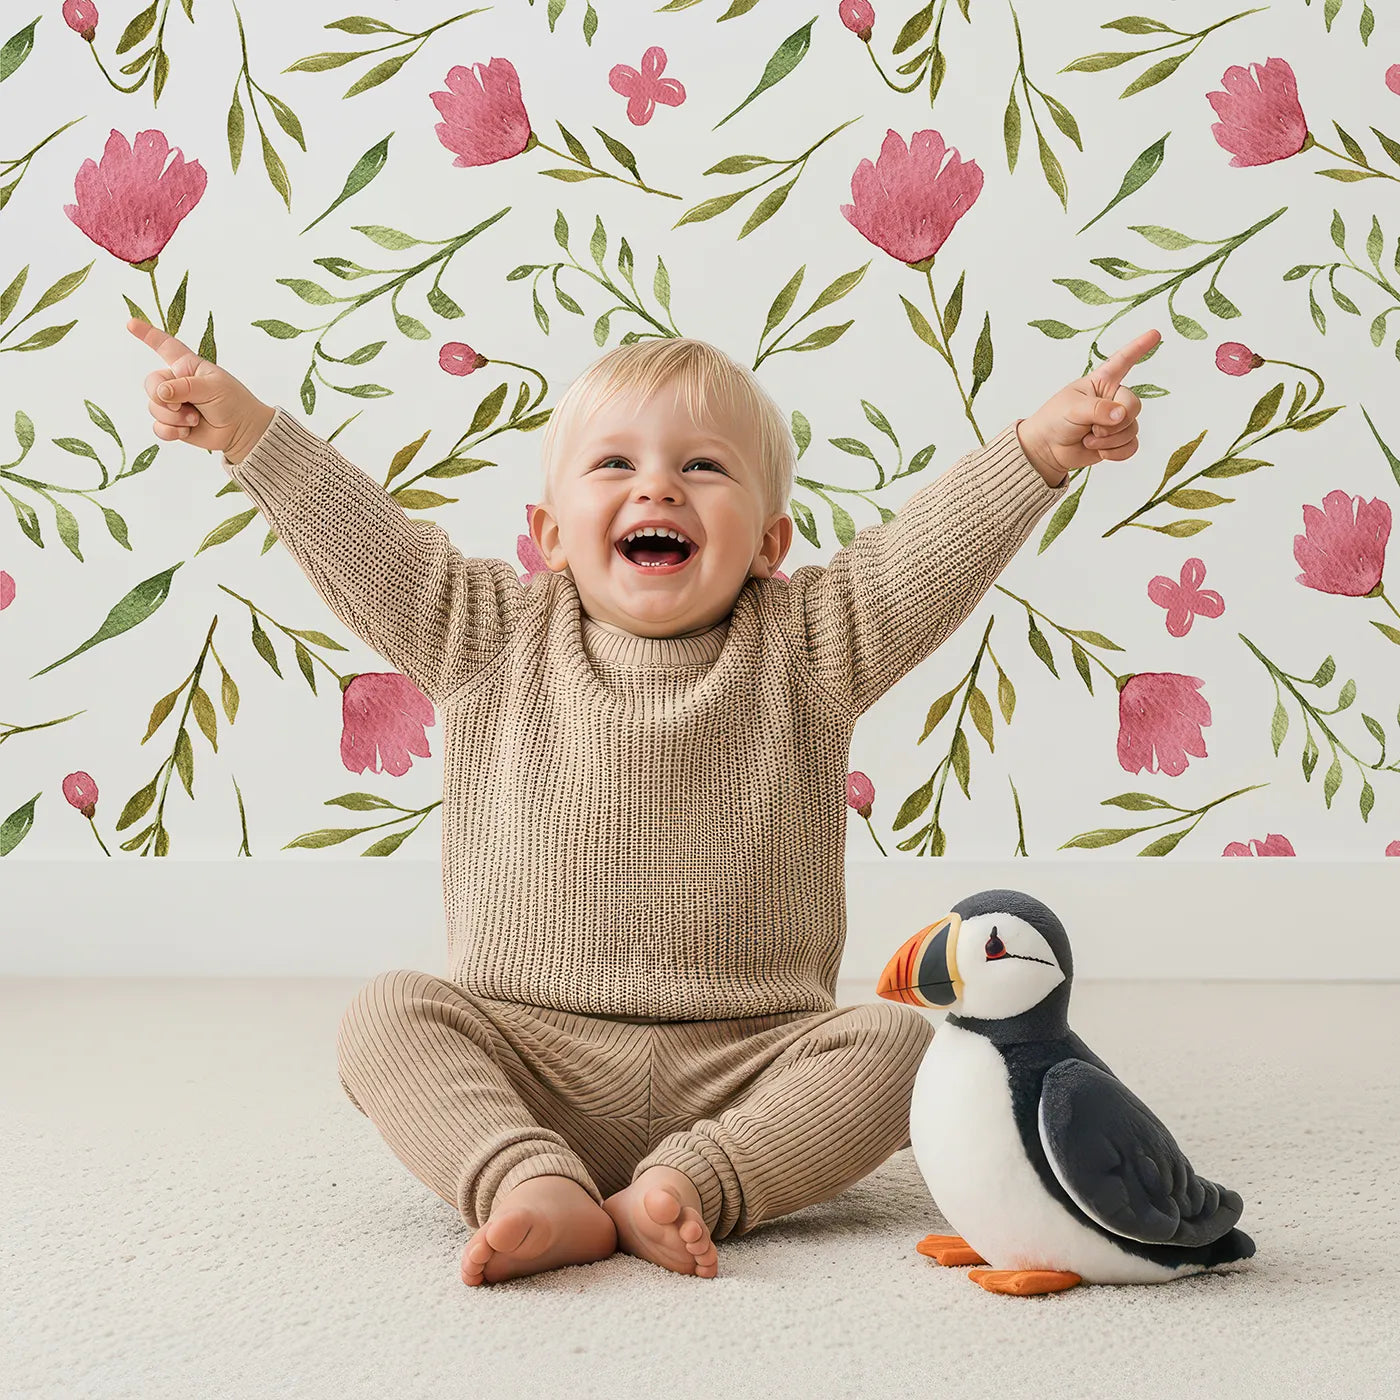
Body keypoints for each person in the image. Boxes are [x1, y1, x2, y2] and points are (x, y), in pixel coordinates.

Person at [127, 318, 1154, 1287]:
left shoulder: (811, 645)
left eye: (701, 466)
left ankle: (687, 1184)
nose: (656, 484)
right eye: (613, 464)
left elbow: (925, 551)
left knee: (902, 1048)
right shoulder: (483, 632)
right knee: (385, 1014)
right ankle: (524, 1176)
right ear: (548, 534)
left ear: (766, 541)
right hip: (527, 1050)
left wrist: (1040, 447)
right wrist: (248, 430)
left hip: (748, 1060)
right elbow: (366, 541)